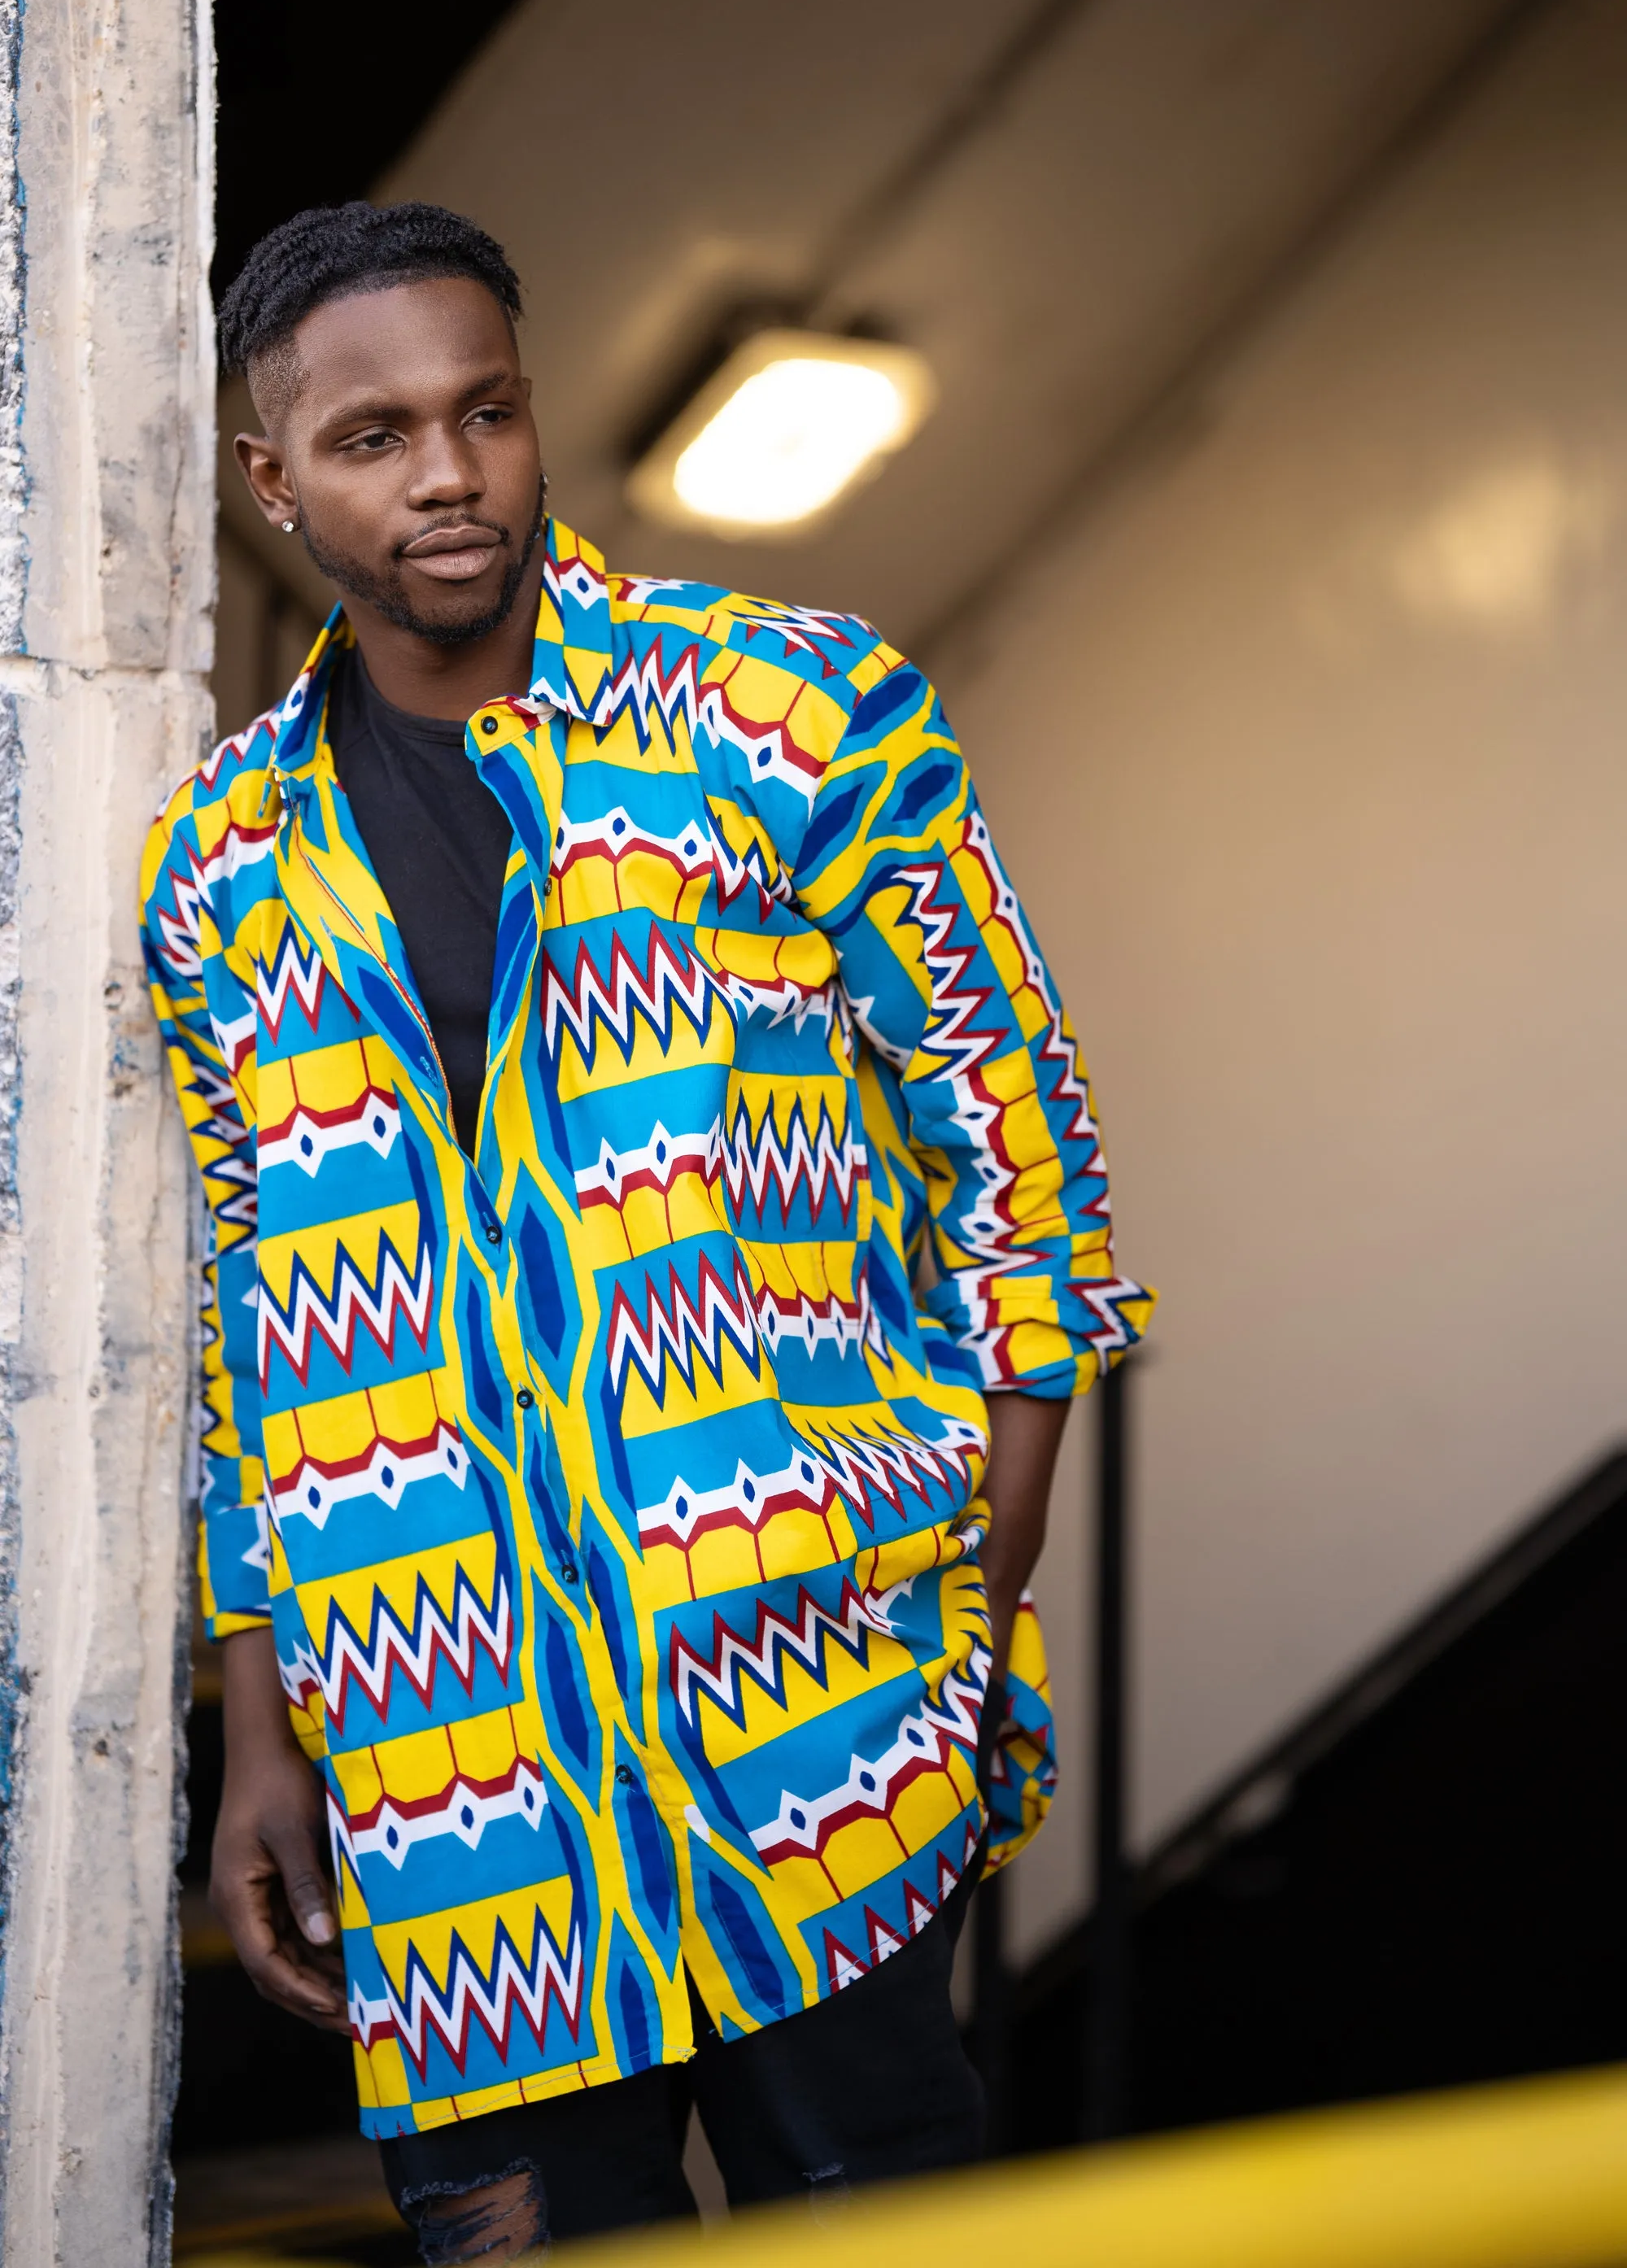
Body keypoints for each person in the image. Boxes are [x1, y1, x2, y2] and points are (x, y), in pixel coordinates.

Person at [142, 200, 1151, 2262]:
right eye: (372, 439)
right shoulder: (220, 872)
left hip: (817, 1720)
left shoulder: (784, 714)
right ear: (272, 477)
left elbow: (1012, 1116)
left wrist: (991, 1552)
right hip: (449, 1791)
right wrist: (260, 1720)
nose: (446, 476)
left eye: (485, 413)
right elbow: (258, 1313)